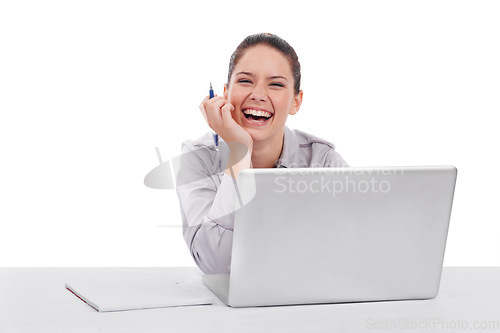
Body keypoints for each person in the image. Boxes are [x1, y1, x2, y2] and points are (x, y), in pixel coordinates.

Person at [176, 33, 348, 274]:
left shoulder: (322, 160)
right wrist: (240, 152)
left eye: (276, 84)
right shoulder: (198, 158)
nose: (258, 94)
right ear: (225, 93)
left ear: (296, 102)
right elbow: (215, 264)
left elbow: (352, 251)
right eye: (245, 81)